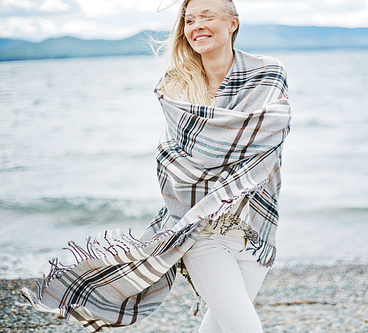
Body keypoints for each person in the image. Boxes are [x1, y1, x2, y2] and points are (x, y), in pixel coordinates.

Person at [19, 0, 290, 332]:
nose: (197, 25)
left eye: (207, 16)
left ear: (232, 24)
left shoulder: (268, 72)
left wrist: (224, 143)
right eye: (190, 20)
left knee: (222, 324)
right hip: (198, 228)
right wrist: (232, 144)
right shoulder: (176, 85)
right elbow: (176, 158)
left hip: (255, 227)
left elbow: (272, 133)